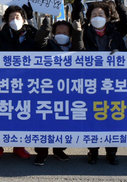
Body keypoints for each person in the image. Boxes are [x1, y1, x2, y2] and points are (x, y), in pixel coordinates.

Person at [0, 3, 34, 161]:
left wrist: (31, 19)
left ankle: (19, 146)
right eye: (11, 17)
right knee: (1, 115)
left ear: (23, 19)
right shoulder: (1, 35)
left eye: (17, 17)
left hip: (25, 82)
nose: (14, 20)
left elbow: (41, 40)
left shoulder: (31, 34)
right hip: (4, 82)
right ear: (6, 20)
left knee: (21, 115)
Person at [81, 2, 127, 165]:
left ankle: (111, 152)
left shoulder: (115, 34)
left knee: (111, 117)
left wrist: (119, 54)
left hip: (111, 82)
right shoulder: (84, 33)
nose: (97, 18)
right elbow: (78, 50)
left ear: (107, 18)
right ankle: (93, 152)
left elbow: (126, 55)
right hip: (91, 82)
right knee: (93, 118)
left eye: (101, 15)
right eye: (94, 15)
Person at [32, 18, 82, 166]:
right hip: (46, 91)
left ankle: (59, 149)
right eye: (59, 32)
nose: (62, 34)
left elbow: (80, 53)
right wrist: (45, 29)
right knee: (44, 123)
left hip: (67, 92)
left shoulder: (73, 46)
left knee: (63, 123)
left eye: (65, 32)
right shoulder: (48, 45)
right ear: (53, 34)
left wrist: (78, 32)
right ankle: (41, 152)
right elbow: (39, 43)